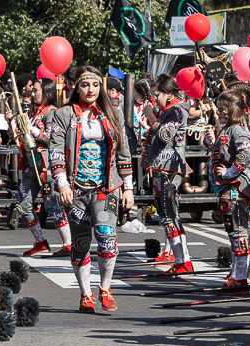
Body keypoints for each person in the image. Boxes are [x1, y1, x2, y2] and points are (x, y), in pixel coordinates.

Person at [48, 66, 134, 313]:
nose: (91, 90)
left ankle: (105, 288)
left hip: (106, 187)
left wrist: (128, 187)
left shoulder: (113, 113)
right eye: (85, 85)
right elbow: (55, 150)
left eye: (96, 85)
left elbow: (123, 152)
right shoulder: (63, 114)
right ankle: (85, 294)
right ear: (76, 86)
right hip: (75, 188)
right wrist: (62, 183)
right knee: (81, 242)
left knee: (107, 237)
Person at [211, 90, 250, 293]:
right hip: (229, 188)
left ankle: (240, 278)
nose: (219, 112)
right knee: (234, 231)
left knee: (238, 231)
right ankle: (236, 274)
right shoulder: (228, 128)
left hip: (238, 188)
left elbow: (247, 152)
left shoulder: (237, 129)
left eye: (222, 109)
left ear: (232, 109)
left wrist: (230, 172)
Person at [15, 79, 71, 257]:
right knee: (23, 203)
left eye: (36, 90)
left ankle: (68, 243)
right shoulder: (34, 112)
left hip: (47, 166)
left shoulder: (52, 112)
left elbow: (53, 138)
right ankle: (40, 240)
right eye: (32, 91)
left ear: (46, 91)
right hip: (32, 165)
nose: (32, 94)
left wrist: (34, 131)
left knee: (52, 203)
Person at [144, 74, 193, 275]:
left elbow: (166, 135)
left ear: (169, 93)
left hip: (171, 169)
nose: (155, 99)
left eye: (158, 95)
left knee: (170, 215)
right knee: (167, 215)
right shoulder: (168, 111)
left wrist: (151, 116)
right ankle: (181, 259)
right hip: (162, 167)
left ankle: (183, 261)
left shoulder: (177, 111)